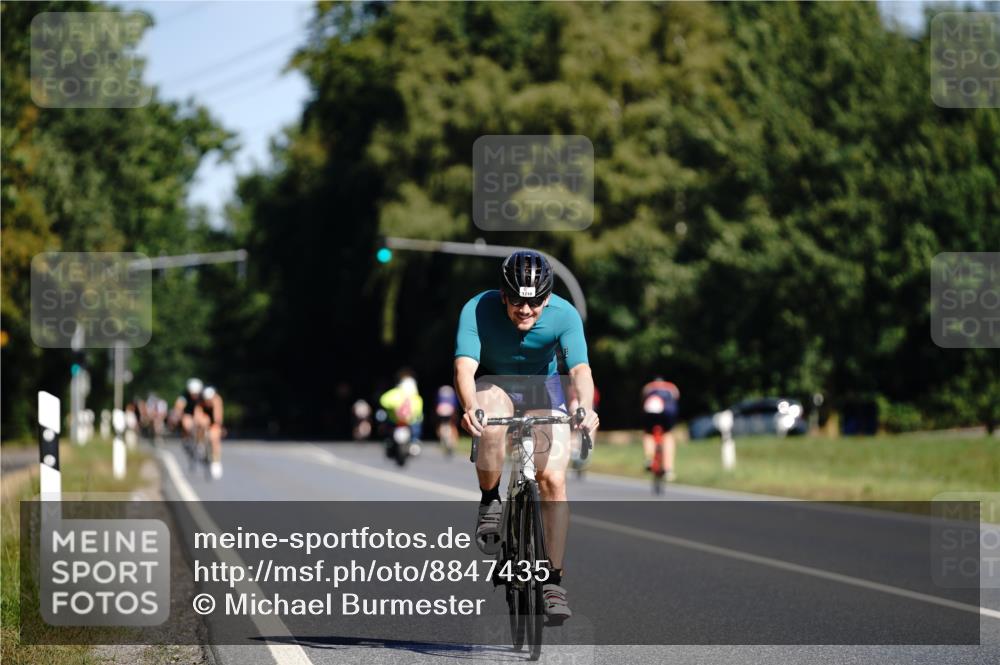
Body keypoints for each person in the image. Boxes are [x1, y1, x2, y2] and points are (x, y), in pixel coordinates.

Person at [455, 250, 599, 622]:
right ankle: (490, 499)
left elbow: (580, 368)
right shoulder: (477, 308)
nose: (525, 309)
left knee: (553, 479)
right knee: (489, 419)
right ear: (503, 294)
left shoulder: (564, 315)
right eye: (517, 299)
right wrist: (471, 406)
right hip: (496, 383)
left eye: (535, 301)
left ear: (547, 297)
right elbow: (465, 366)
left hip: (543, 389)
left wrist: (584, 407)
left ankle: (552, 579)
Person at [641, 377, 680, 481]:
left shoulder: (649, 386)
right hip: (668, 411)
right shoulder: (671, 386)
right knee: (668, 434)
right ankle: (669, 469)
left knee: (648, 433)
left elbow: (643, 397)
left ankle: (649, 458)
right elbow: (676, 398)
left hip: (651, 410)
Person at [379, 372, 424, 441]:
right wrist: (394, 406)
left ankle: (415, 441)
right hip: (394, 420)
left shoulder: (416, 398)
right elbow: (383, 401)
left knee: (419, 420)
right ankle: (387, 439)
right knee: (381, 415)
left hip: (409, 422)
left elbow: (418, 412)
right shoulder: (395, 393)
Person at [198, 385, 225, 479]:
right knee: (202, 422)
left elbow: (218, 416)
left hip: (213, 420)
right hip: (205, 417)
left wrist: (218, 426)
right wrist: (202, 422)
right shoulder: (200, 401)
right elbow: (198, 414)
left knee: (215, 438)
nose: (208, 402)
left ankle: (216, 462)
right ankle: (200, 443)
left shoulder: (217, 400)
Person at [173, 378, 203, 444]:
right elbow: (178, 407)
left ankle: (200, 441)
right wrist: (178, 416)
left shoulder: (202, 397)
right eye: (193, 393)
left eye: (196, 394)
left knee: (203, 423)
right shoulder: (184, 397)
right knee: (187, 425)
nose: (195, 395)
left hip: (199, 414)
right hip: (187, 414)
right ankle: (187, 438)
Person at [435, 385, 460, 455]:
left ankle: (441, 439)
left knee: (440, 424)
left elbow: (437, 402)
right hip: (450, 410)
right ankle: (454, 441)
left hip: (441, 410)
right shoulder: (452, 393)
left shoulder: (440, 392)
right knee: (452, 425)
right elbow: (455, 404)